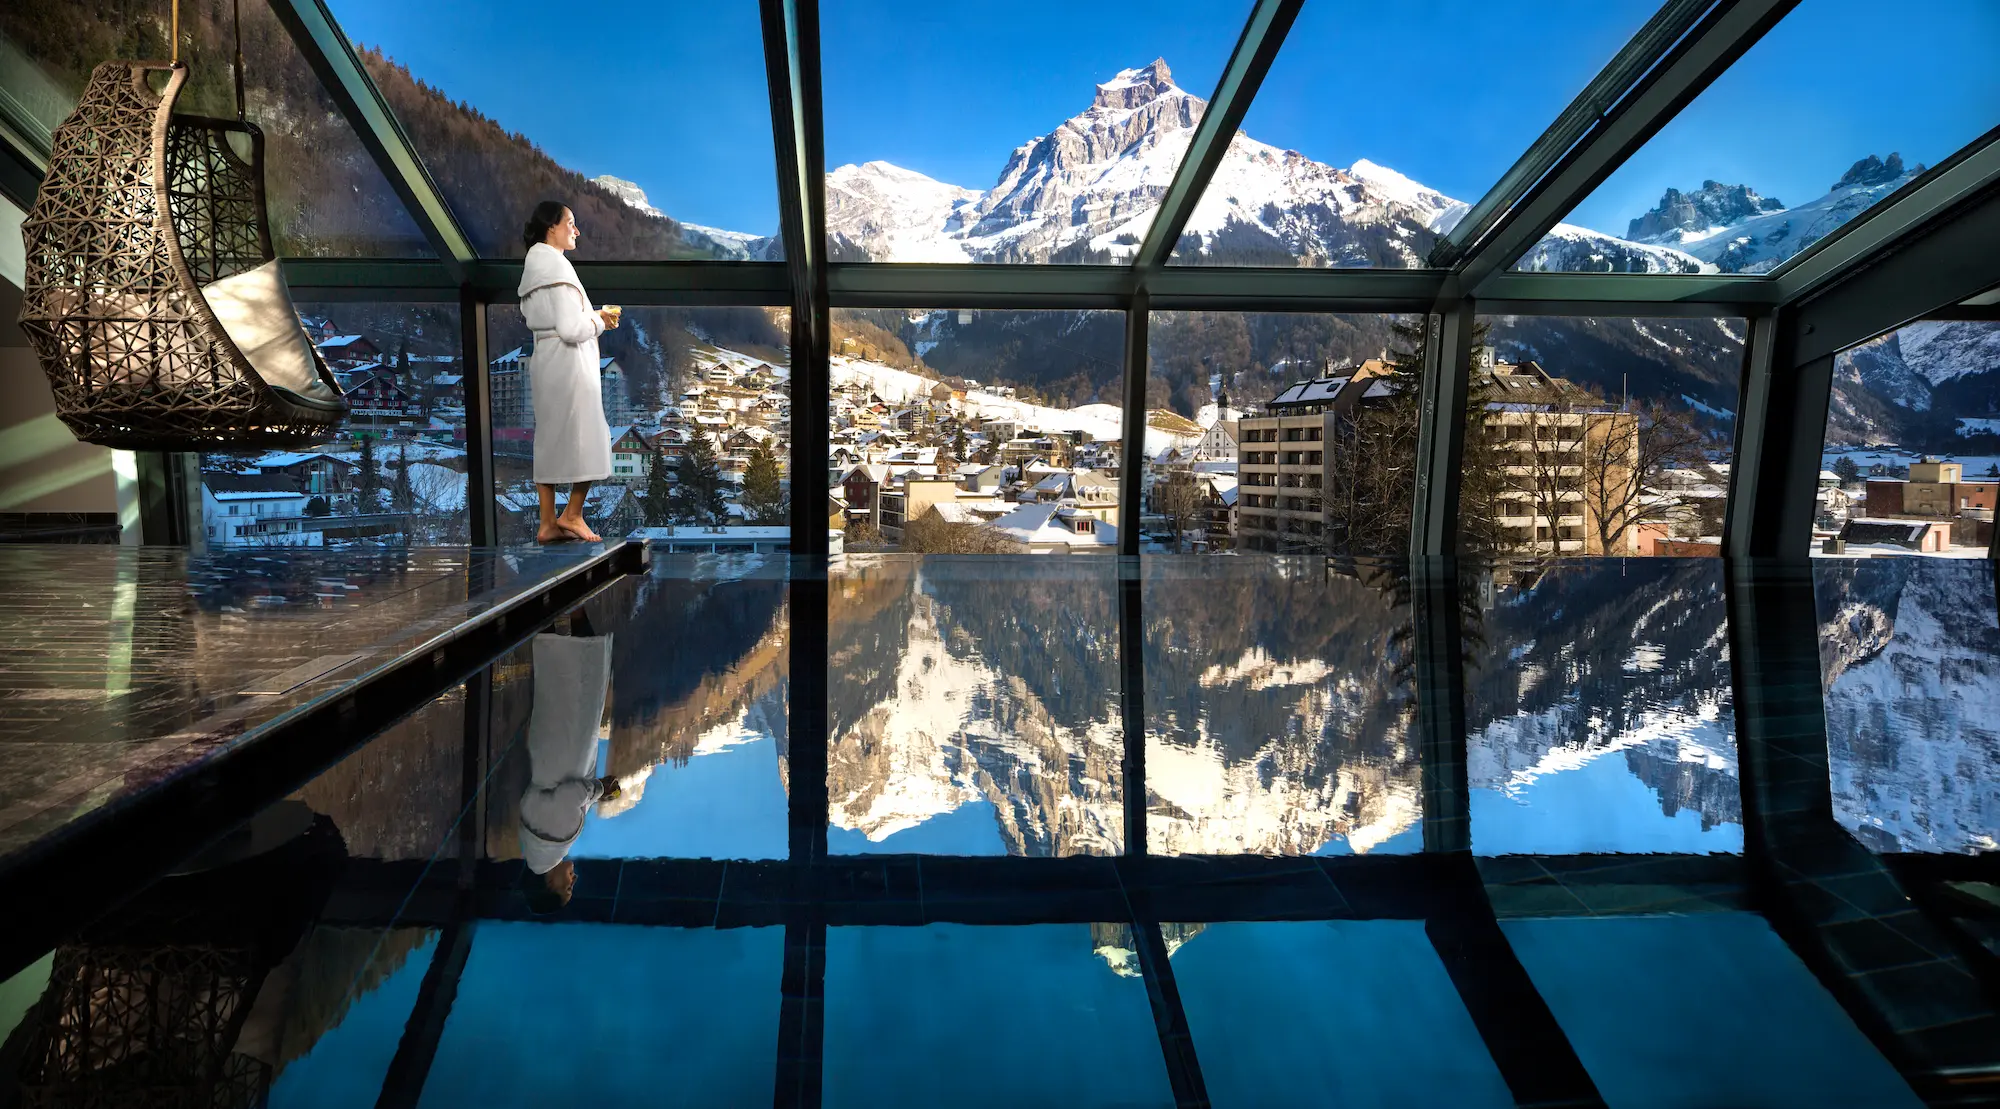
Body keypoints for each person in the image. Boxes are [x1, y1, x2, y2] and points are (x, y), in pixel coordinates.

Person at [519, 201, 621, 543]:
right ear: (553, 227)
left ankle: (548, 522)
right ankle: (572, 514)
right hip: (569, 363)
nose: (576, 231)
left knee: (548, 436)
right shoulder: (558, 272)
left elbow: (554, 321)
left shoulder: (535, 267)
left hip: (545, 359)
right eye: (571, 223)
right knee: (592, 435)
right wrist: (599, 319)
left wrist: (588, 316)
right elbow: (571, 329)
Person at [517, 610, 620, 914]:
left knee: (585, 665)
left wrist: (602, 789)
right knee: (555, 668)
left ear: (550, 883)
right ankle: (550, 593)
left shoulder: (555, 842)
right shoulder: (534, 842)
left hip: (569, 742)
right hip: (549, 747)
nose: (573, 878)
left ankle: (570, 593)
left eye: (568, 886)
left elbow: (571, 795)